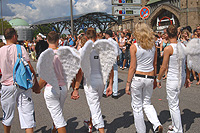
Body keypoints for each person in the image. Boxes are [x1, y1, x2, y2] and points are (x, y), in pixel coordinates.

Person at [125, 23, 163, 133]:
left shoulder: (134, 47)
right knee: (147, 103)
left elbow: (132, 67)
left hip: (138, 76)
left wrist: (128, 83)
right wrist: (156, 79)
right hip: (150, 76)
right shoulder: (153, 46)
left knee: (137, 106)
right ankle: (156, 124)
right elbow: (155, 64)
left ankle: (141, 130)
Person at [0, 28, 39, 133]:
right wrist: (35, 81)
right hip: (22, 84)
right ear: (14, 36)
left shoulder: (0, 51)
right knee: (27, 115)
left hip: (7, 86)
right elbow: (29, 66)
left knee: (7, 115)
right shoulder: (20, 48)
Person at [74, 28, 113, 133]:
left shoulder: (82, 51)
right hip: (101, 82)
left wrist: (76, 88)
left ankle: (101, 130)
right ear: (96, 36)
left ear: (86, 38)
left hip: (90, 82)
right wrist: (111, 84)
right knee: (95, 105)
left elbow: (79, 72)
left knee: (95, 109)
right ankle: (91, 124)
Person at [157, 25, 190, 133]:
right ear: (177, 34)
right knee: (173, 101)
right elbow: (187, 64)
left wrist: (159, 79)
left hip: (173, 78)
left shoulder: (168, 48)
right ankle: (175, 124)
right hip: (181, 76)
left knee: (173, 104)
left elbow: (163, 66)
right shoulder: (183, 46)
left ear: (167, 35)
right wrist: (187, 78)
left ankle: (178, 129)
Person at [38, 31, 70, 133]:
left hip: (51, 88)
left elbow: (44, 77)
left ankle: (56, 129)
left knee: (59, 119)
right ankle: (53, 129)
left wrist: (37, 88)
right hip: (63, 87)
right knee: (57, 113)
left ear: (47, 40)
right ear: (58, 41)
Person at [103, 30, 120, 99]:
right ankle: (115, 92)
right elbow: (118, 52)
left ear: (107, 35)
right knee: (115, 75)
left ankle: (104, 91)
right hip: (114, 59)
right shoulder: (115, 43)